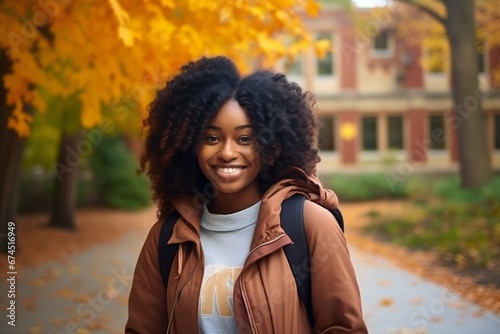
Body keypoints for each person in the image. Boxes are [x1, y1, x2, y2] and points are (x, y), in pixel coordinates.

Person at [126, 56, 368, 333]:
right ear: (190, 145)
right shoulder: (167, 238)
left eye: (245, 139)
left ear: (270, 144)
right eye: (211, 138)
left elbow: (343, 328)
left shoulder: (310, 225)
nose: (227, 153)